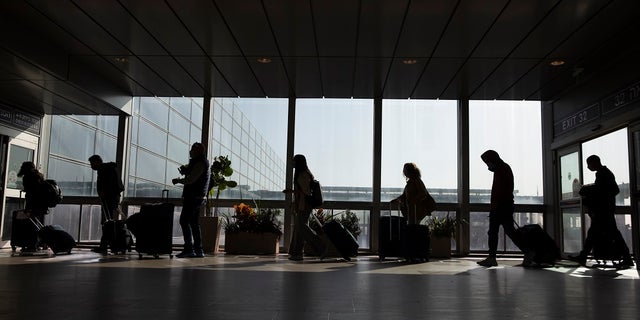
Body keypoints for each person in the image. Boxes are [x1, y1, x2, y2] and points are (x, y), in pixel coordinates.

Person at [569, 155, 633, 268]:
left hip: (603, 211)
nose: (588, 167)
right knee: (601, 233)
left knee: (599, 234)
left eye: (589, 164)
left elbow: (606, 190)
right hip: (605, 210)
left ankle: (583, 256)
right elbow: (609, 189)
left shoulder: (603, 174)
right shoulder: (604, 173)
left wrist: (588, 189)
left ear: (595, 163)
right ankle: (626, 258)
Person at [477, 150, 524, 267]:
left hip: (501, 207)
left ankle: (492, 257)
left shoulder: (501, 170)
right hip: (503, 206)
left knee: (498, 232)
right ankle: (528, 252)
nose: (488, 165)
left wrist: (496, 205)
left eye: (488, 162)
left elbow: (502, 191)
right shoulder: (502, 169)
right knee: (506, 231)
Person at [284, 154, 326, 261]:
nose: (293, 163)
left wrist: (291, 191)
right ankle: (296, 253)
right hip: (302, 204)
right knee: (298, 228)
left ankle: (320, 245)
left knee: (302, 227)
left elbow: (306, 191)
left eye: (294, 161)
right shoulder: (304, 173)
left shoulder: (303, 174)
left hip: (305, 205)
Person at [172, 142, 210, 258]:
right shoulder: (202, 162)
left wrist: (179, 180)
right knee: (194, 223)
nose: (190, 151)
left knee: (184, 221)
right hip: (198, 197)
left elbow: (192, 180)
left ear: (198, 151)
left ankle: (189, 249)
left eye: (192, 149)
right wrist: (186, 171)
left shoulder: (200, 162)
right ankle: (198, 250)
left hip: (193, 197)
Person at [89, 154, 125, 253]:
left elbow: (105, 185)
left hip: (108, 199)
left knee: (107, 223)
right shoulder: (109, 168)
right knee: (108, 223)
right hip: (112, 198)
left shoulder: (104, 170)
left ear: (97, 162)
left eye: (92, 163)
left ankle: (104, 246)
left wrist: (103, 193)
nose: (91, 166)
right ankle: (108, 245)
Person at [17, 161, 48, 251]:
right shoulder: (40, 175)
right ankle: (42, 243)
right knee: (39, 224)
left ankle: (32, 245)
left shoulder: (27, 177)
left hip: (33, 203)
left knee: (31, 224)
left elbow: (29, 190)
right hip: (42, 204)